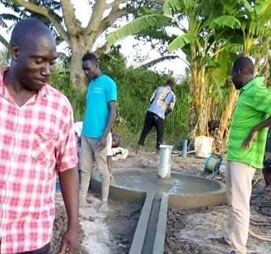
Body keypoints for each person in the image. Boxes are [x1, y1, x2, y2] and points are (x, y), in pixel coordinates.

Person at [0, 18, 79, 253]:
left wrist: (73, 225)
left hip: (30, 239)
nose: (47, 71)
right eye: (39, 61)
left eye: (51, 63)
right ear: (16, 52)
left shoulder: (59, 107)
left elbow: (68, 167)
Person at [212, 56, 271, 254]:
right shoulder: (247, 91)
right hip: (236, 155)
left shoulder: (256, 90)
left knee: (239, 204)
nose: (231, 79)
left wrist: (256, 128)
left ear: (238, 73)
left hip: (245, 158)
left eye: (231, 75)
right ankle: (230, 237)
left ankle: (239, 248)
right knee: (233, 199)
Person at [80, 52, 117, 212]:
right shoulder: (91, 85)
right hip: (86, 134)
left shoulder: (108, 84)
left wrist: (104, 135)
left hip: (100, 137)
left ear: (96, 65)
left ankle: (104, 201)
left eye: (88, 69)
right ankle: (81, 199)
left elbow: (113, 111)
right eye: (84, 70)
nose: (86, 73)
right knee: (85, 169)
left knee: (103, 170)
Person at [137, 80, 176, 151]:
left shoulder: (158, 88)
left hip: (150, 112)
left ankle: (139, 147)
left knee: (145, 130)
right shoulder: (173, 95)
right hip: (160, 115)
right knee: (159, 134)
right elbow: (170, 108)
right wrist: (164, 113)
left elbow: (151, 99)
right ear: (172, 87)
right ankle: (158, 150)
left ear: (165, 84)